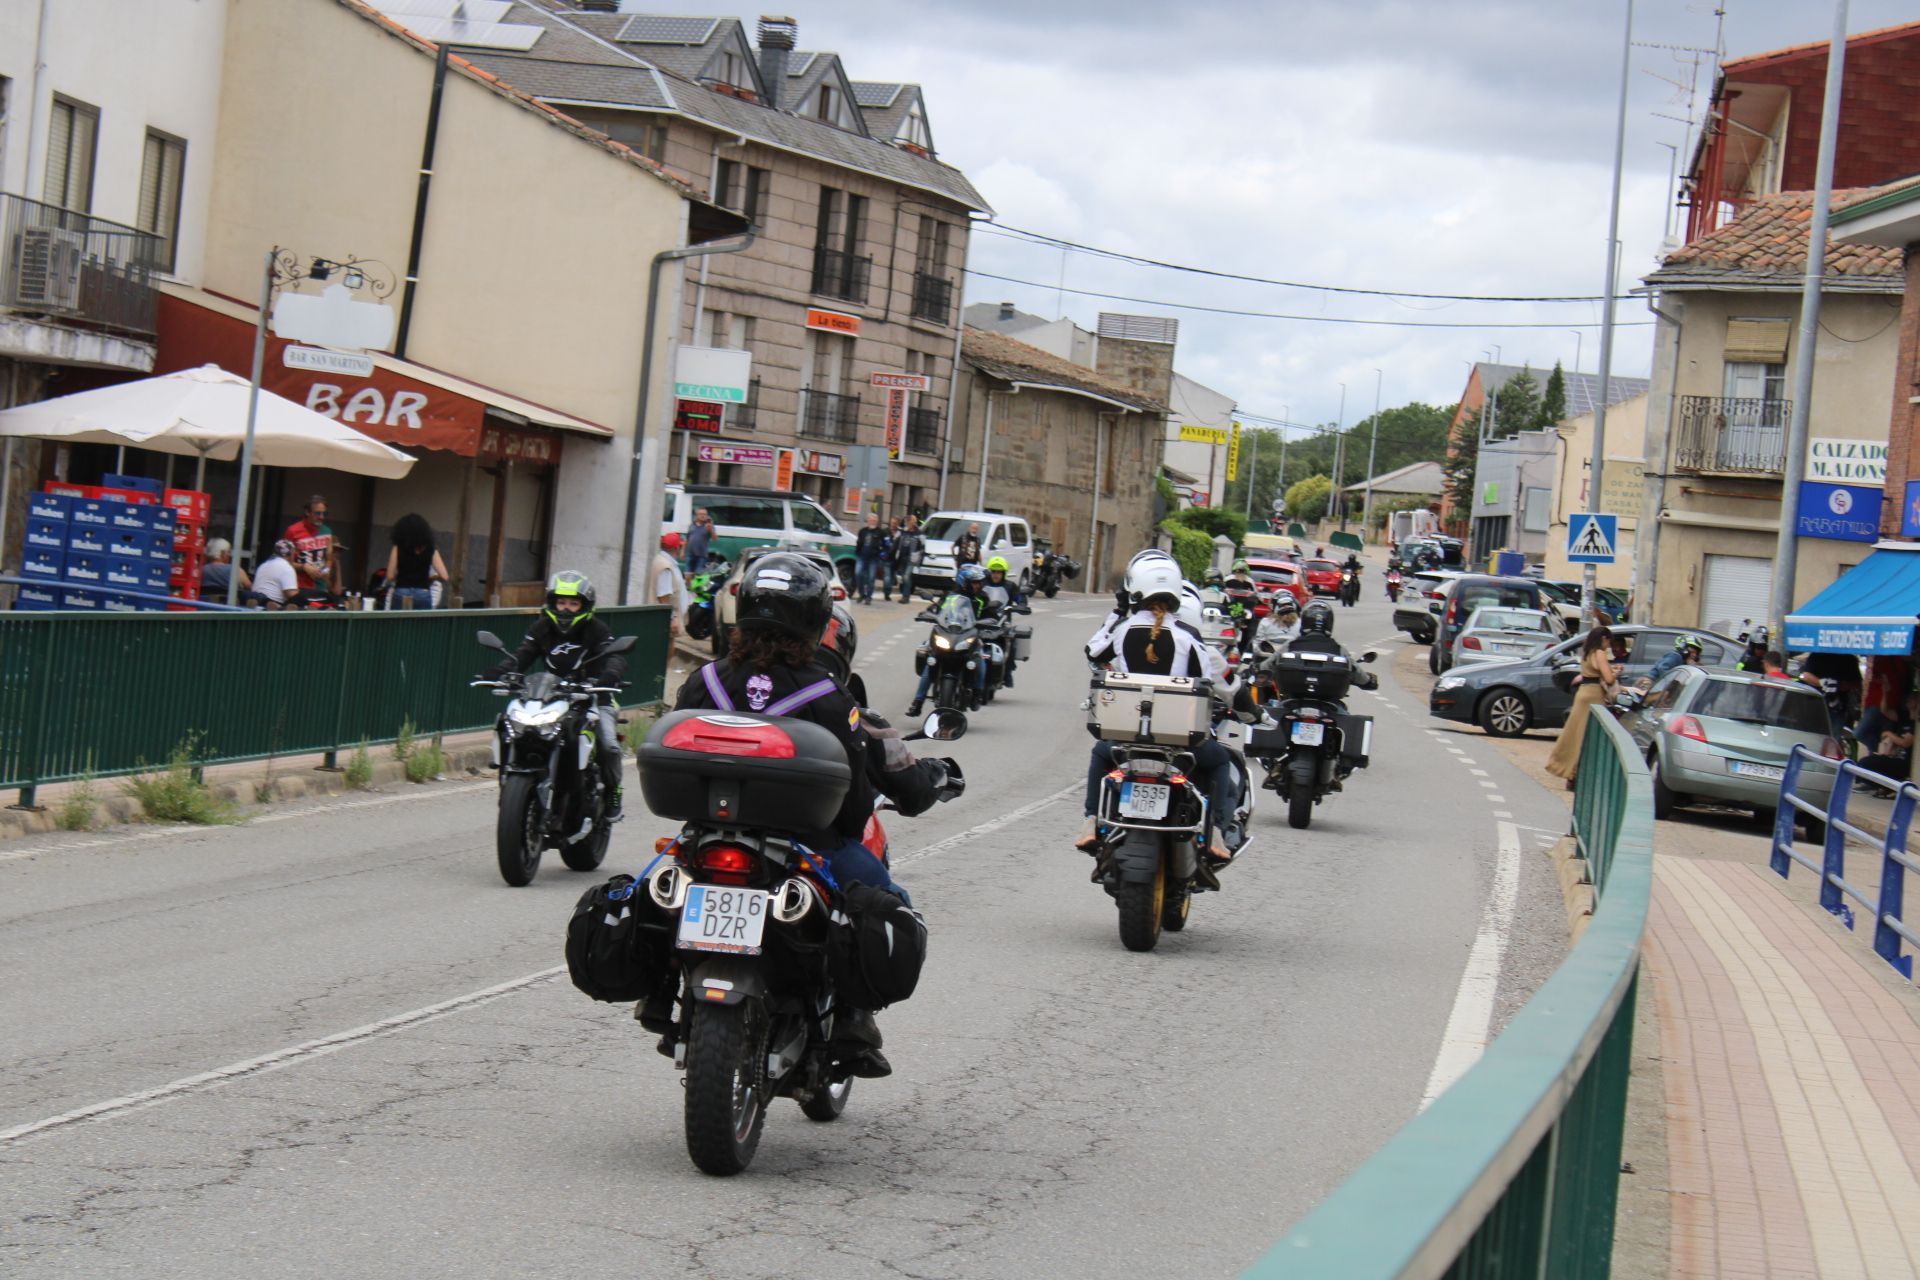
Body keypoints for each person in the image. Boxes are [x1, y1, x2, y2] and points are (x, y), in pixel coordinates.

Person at [674, 551, 951, 1079]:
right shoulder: (828, 696)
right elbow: (851, 802)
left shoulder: (703, 681)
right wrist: (846, 828)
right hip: (806, 846)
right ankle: (853, 1018)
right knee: (890, 901)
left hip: (707, 836)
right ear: (815, 621)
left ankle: (659, 990)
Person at [1080, 554, 1240, 863]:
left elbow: (1093, 650)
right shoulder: (1188, 637)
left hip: (1127, 737)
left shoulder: (1123, 630)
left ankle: (1091, 822)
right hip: (1179, 739)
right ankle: (1216, 832)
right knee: (1220, 762)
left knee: (1101, 752)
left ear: (1134, 589)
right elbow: (1207, 683)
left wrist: (1117, 610)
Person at [486, 571, 628, 816]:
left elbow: (613, 656)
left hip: (594, 696)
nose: (566, 609)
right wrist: (499, 671)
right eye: (561, 602)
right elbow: (523, 655)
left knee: (608, 746)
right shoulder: (542, 627)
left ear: (585, 606)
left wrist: (609, 675)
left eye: (573, 603)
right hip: (551, 697)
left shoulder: (597, 629)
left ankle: (614, 790)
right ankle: (511, 781)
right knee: (512, 725)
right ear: (552, 603)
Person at [906, 565, 991, 716]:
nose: (978, 585)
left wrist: (991, 621)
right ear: (964, 582)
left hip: (971, 635)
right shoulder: (949, 596)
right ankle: (917, 702)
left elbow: (990, 614)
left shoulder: (983, 598)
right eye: (974, 582)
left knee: (981, 661)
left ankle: (977, 694)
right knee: (931, 662)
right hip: (948, 633)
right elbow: (938, 609)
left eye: (979, 582)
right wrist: (928, 613)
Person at [1547, 626, 1620, 787]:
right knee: (1587, 737)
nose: (1608, 646)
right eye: (1608, 641)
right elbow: (1608, 679)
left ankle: (1568, 771)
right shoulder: (1599, 653)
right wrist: (1616, 673)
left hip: (1583, 693)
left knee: (1575, 734)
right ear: (1603, 639)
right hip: (1593, 696)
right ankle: (1574, 774)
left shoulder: (1587, 652)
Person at [980, 556, 1029, 687]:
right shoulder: (982, 584)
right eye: (994, 571)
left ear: (1003, 573)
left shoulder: (1010, 586)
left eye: (999, 572)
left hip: (1002, 621)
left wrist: (1021, 604)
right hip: (983, 620)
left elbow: (1020, 598)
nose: (996, 575)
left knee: (1010, 641)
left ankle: (1007, 673)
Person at [383, 513, 447, 610]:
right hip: (423, 592)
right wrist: (431, 578)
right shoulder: (431, 549)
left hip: (402, 590)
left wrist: (401, 574)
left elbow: (390, 576)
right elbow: (444, 576)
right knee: (420, 624)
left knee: (397, 624)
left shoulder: (398, 548)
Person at [1854, 689, 1918, 784]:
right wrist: (1885, 691)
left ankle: (1880, 785)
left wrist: (1888, 734)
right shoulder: (1904, 717)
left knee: (1867, 763)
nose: (1909, 700)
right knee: (1865, 762)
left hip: (1904, 762)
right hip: (1893, 756)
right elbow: (1884, 710)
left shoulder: (1915, 724)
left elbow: (1905, 743)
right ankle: (1867, 782)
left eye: (1913, 698)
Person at [284, 495, 336, 594]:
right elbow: (284, 562)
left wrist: (327, 569)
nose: (321, 517)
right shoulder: (293, 531)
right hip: (299, 586)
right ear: (307, 512)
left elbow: (329, 558)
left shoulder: (327, 531)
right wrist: (304, 567)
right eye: (317, 513)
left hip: (320, 586)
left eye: (324, 513)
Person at [652, 533, 689, 636]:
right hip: (666, 619)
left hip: (667, 617)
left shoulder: (663, 560)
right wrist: (672, 618)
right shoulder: (666, 566)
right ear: (677, 548)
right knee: (668, 646)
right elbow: (664, 595)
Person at [200, 537, 251, 602]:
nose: (229, 555)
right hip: (230, 607)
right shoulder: (235, 570)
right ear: (223, 554)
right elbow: (249, 587)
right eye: (228, 552)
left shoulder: (200, 570)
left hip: (203, 606)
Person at [251, 539, 300, 607]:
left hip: (256, 605)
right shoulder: (286, 567)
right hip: (273, 607)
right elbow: (292, 594)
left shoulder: (263, 565)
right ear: (290, 554)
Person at [854, 512, 888, 606]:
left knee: (871, 578)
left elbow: (886, 545)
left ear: (877, 521)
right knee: (858, 574)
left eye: (874, 520)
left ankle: (869, 597)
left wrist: (882, 554)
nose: (872, 521)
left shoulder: (881, 532)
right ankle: (861, 594)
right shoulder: (862, 531)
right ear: (868, 520)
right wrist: (857, 551)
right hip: (862, 556)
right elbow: (859, 542)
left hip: (874, 558)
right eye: (871, 519)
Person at [888, 514, 921, 602]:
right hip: (902, 557)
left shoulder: (918, 533)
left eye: (911, 522)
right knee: (903, 577)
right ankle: (905, 595)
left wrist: (920, 559)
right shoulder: (903, 532)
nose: (909, 524)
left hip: (912, 558)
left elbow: (923, 546)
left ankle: (906, 596)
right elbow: (896, 541)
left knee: (906, 576)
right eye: (908, 522)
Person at [683, 507, 713, 577]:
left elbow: (715, 538)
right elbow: (687, 539)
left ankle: (695, 587)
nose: (703, 516)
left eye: (705, 514)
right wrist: (683, 551)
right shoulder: (692, 525)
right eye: (701, 514)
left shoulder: (709, 526)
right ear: (697, 515)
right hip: (690, 554)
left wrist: (710, 529)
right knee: (687, 574)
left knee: (698, 574)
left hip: (702, 555)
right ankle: (688, 587)